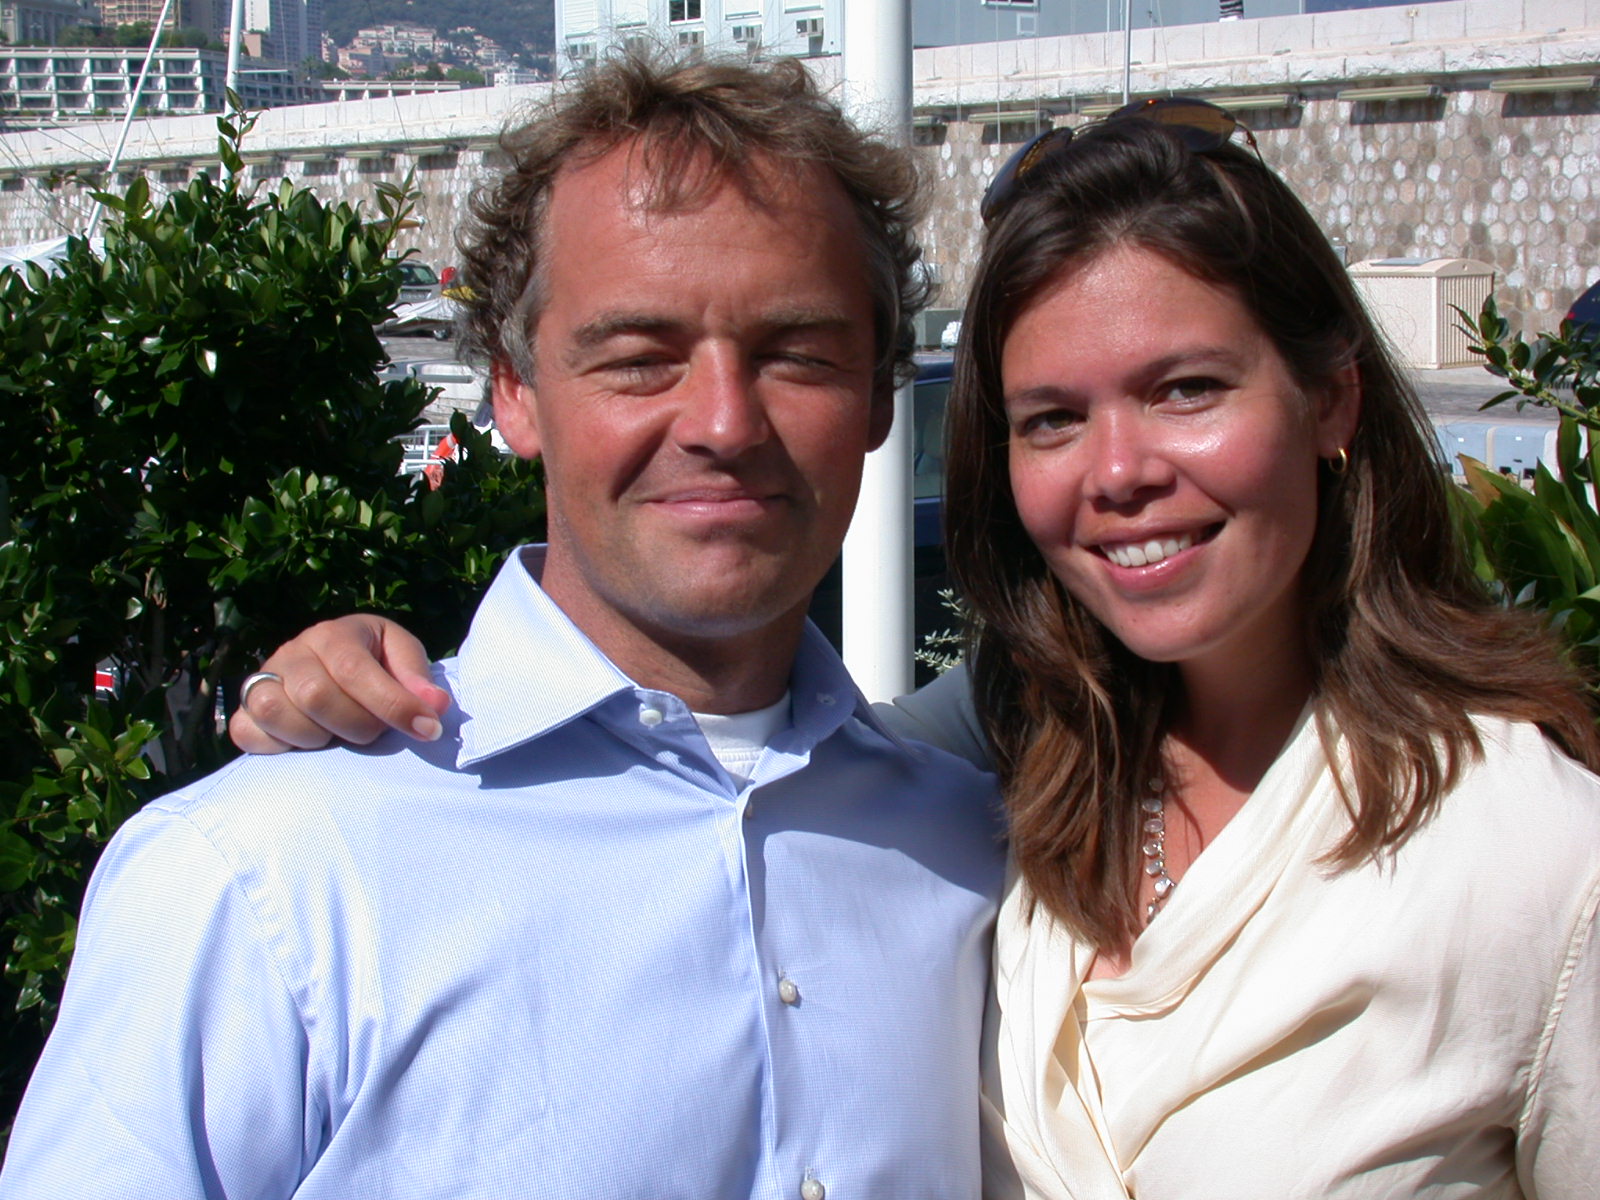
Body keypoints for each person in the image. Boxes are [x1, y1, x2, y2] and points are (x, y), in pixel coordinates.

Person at [231, 97, 1600, 1198]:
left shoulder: (1539, 856)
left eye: (1187, 389)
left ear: (1331, 401)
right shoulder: (1002, 763)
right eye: (1052, 418)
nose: (1120, 471)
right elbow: (740, 756)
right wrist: (360, 686)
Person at [1, 55, 1007, 1198]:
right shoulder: (268, 874)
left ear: (878, 394)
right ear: (514, 392)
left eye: (796, 355)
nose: (724, 424)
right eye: (640, 360)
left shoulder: (976, 850)